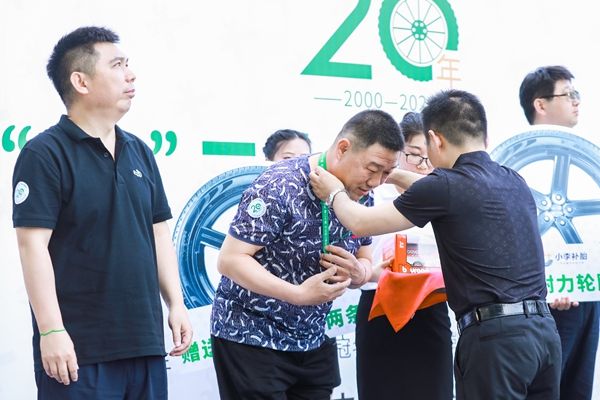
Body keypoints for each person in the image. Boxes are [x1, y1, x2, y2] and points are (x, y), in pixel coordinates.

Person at [310, 90, 562, 399]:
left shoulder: (447, 185)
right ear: (482, 134)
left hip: (496, 343)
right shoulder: (512, 180)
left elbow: (360, 222)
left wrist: (334, 191)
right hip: (544, 335)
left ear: (435, 139)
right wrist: (392, 174)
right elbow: (438, 191)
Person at [12, 26, 192, 399]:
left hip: (144, 342)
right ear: (81, 81)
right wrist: (51, 331)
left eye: (128, 64)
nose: (131, 75)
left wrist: (176, 304)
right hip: (79, 352)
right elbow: (32, 247)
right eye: (117, 65)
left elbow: (159, 233)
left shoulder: (139, 151)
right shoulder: (44, 154)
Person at [210, 109, 404, 399]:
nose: (376, 182)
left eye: (386, 173)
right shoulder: (279, 184)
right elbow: (230, 260)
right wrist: (297, 294)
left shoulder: (363, 193)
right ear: (342, 149)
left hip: (313, 340)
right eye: (372, 168)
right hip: (252, 336)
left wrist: (359, 272)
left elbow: (364, 256)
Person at [356, 112, 453, 400]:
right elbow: (356, 251)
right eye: (413, 155)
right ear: (397, 153)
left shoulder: (444, 198)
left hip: (430, 306)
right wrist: (370, 270)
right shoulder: (371, 193)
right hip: (379, 306)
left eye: (428, 157)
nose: (422, 165)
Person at [520, 65, 598, 400]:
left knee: (579, 388)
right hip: (546, 303)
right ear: (540, 104)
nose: (577, 102)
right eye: (569, 95)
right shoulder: (517, 166)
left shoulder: (587, 160)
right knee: (548, 390)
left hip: (589, 295)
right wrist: (548, 287)